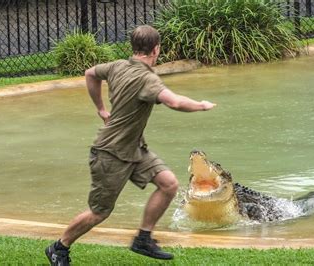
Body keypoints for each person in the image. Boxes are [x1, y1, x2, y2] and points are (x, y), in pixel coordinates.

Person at [45, 25, 216, 265]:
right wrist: (201, 105)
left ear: (133, 47)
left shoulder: (116, 66)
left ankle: (143, 238)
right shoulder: (148, 79)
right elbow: (175, 102)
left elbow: (90, 73)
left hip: (134, 148)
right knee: (99, 212)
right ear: (156, 49)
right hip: (110, 153)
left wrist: (101, 109)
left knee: (168, 184)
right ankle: (59, 247)